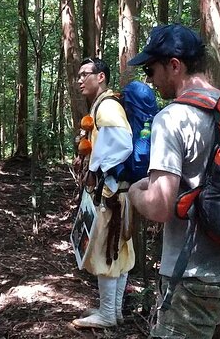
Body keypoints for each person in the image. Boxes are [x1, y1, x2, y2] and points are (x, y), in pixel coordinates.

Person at [127, 24, 220, 338]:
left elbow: (159, 207)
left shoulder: (172, 118)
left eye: (150, 69)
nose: (149, 80)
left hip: (194, 281)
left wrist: (134, 192)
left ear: (174, 65)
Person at [71, 57, 135, 329]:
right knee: (118, 251)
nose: (80, 80)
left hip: (110, 193)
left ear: (101, 77)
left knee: (105, 251)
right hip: (118, 192)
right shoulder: (105, 105)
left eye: (86, 74)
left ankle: (108, 314)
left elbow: (122, 142)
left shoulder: (107, 106)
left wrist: (97, 169)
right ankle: (114, 311)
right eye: (79, 75)